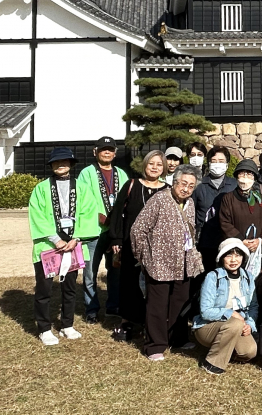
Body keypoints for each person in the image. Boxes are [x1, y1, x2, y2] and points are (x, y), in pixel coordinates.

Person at [28, 147, 101, 345]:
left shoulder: (82, 188)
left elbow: (88, 213)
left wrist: (76, 238)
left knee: (69, 288)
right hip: (48, 246)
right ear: (51, 165)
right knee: (44, 289)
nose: (61, 165)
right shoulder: (41, 188)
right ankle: (44, 328)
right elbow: (37, 215)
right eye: (57, 162)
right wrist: (55, 239)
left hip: (73, 245)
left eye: (65, 161)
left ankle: (67, 324)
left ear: (71, 164)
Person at [130, 165, 203, 360]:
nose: (186, 189)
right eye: (183, 184)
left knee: (180, 302)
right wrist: (144, 256)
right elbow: (138, 230)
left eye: (191, 186)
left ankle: (177, 338)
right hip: (159, 262)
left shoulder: (190, 204)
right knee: (157, 304)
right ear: (174, 182)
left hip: (184, 262)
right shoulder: (160, 199)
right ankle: (155, 345)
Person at [109, 149, 167, 342]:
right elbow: (117, 213)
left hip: (157, 247)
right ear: (145, 165)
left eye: (159, 164)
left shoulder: (167, 190)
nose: (155, 167)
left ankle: (147, 322)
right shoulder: (132, 185)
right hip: (130, 244)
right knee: (129, 283)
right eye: (152, 163)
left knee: (153, 285)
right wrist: (116, 239)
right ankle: (126, 321)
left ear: (164, 168)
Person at [76, 136, 129, 323]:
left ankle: (113, 305)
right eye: (103, 149)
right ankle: (91, 308)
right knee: (90, 271)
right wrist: (101, 217)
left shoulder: (121, 174)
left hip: (115, 232)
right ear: (95, 152)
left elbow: (125, 201)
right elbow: (83, 200)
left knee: (115, 269)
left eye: (110, 149)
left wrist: (116, 223)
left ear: (115, 153)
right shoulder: (86, 173)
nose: (106, 152)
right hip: (93, 230)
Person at [192, 238, 259, 374]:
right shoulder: (212, 277)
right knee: (234, 323)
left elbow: (253, 306)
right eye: (229, 255)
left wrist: (249, 325)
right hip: (208, 326)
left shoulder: (248, 277)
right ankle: (212, 363)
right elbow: (205, 311)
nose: (234, 260)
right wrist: (231, 313)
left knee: (249, 351)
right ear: (222, 258)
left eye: (238, 255)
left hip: (237, 324)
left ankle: (225, 351)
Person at [218, 159, 262, 274]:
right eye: (242, 173)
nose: (245, 176)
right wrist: (241, 241)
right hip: (235, 250)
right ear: (236, 176)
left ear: (254, 177)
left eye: (249, 173)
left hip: (257, 250)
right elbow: (225, 223)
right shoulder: (228, 199)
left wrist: (260, 240)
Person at [193, 146, 236, 270]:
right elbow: (193, 212)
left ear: (227, 164)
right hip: (205, 241)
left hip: (228, 239)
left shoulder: (234, 185)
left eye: (221, 161)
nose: (218, 164)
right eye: (214, 161)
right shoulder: (199, 185)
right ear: (209, 163)